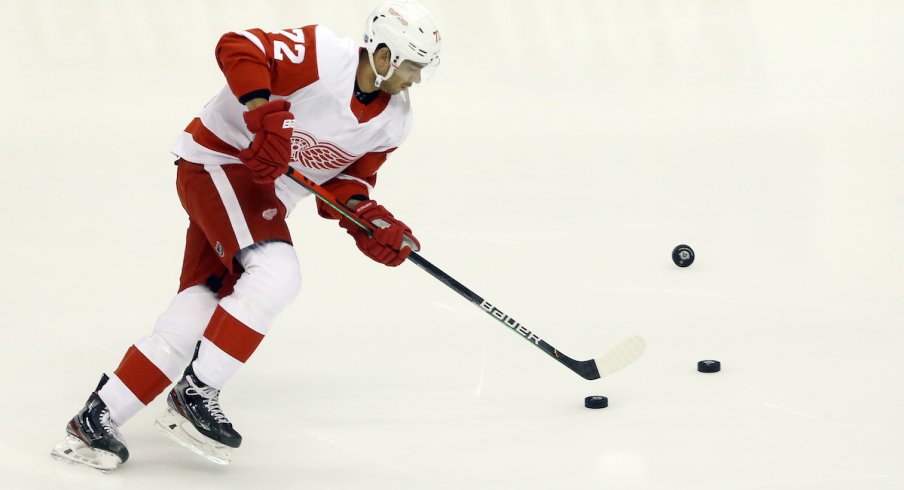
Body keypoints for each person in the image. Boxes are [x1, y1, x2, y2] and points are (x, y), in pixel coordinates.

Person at [51, 0, 441, 472]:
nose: (415, 80)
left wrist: (370, 219)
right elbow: (239, 46)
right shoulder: (323, 55)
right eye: (413, 66)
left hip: (260, 199)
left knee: (201, 307)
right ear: (384, 55)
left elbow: (347, 181)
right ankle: (196, 392)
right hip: (218, 161)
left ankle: (97, 419)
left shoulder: (394, 121)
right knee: (276, 273)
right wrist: (262, 114)